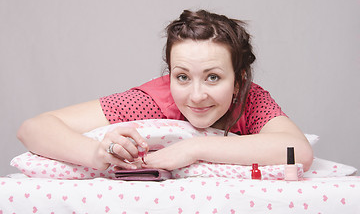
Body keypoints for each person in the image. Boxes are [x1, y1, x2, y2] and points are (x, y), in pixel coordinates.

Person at [17, 10, 313, 173]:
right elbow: (34, 129)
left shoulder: (251, 99)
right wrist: (97, 153)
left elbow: (298, 150)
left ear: (239, 80)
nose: (196, 96)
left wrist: (194, 148)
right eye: (182, 77)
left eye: (213, 77)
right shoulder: (151, 101)